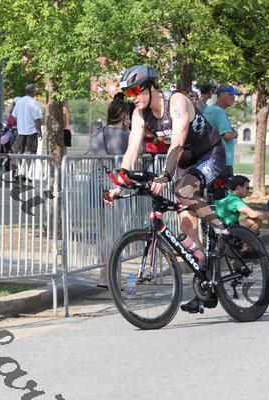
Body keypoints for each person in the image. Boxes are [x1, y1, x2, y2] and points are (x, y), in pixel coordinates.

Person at [105, 65, 229, 314]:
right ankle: (205, 282)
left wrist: (164, 176)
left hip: (209, 153)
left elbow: (178, 141)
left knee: (183, 191)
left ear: (150, 87)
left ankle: (221, 229)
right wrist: (118, 185)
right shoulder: (139, 114)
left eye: (136, 91)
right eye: (128, 94)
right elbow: (132, 150)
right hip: (185, 162)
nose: (133, 97)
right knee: (186, 224)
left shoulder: (177, 102)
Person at [89, 99, 131, 289]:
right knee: (115, 232)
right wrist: (129, 130)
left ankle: (103, 275)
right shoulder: (125, 136)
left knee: (103, 232)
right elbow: (140, 151)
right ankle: (112, 275)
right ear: (124, 115)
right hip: (115, 186)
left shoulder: (97, 133)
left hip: (97, 184)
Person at [203, 85, 240, 177]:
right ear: (222, 95)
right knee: (225, 186)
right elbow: (227, 135)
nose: (233, 98)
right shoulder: (219, 111)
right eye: (231, 95)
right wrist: (235, 133)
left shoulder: (208, 110)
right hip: (223, 161)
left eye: (234, 96)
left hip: (210, 159)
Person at [11, 84, 43, 179]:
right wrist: (40, 131)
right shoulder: (34, 102)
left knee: (19, 152)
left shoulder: (19, 101)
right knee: (30, 152)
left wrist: (20, 124)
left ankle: (19, 171)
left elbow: (14, 116)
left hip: (21, 131)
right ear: (34, 91)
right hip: (31, 131)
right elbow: (37, 119)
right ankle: (27, 173)